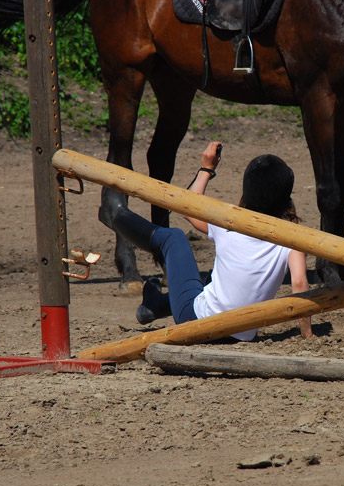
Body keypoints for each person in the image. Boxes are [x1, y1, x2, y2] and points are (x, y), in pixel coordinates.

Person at [98, 141, 313, 341]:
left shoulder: (230, 222)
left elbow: (188, 208)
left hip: (195, 322)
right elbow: (299, 284)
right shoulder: (290, 239)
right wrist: (307, 334)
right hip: (240, 337)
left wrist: (206, 168)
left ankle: (115, 214)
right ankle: (155, 306)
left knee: (174, 237)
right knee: (211, 281)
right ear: (286, 198)